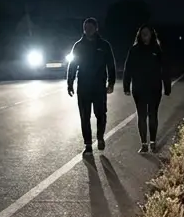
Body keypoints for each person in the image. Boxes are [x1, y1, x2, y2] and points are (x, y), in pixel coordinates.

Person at [66, 17, 117, 156]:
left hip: (99, 86)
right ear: (84, 29)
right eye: (85, 27)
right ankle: (88, 144)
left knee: (101, 114)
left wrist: (111, 82)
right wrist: (70, 83)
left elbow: (111, 65)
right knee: (84, 116)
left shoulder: (104, 45)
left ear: (96, 28)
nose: (88, 30)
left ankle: (100, 137)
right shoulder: (78, 45)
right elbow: (72, 65)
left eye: (90, 27)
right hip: (83, 86)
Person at [123, 24, 171, 153]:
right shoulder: (134, 50)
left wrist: (167, 86)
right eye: (143, 33)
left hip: (154, 87)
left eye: (147, 33)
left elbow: (165, 68)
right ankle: (144, 144)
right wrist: (126, 86)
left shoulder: (157, 49)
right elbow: (128, 68)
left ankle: (153, 142)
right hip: (139, 88)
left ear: (151, 35)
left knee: (153, 115)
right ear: (139, 35)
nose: (145, 35)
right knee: (142, 115)